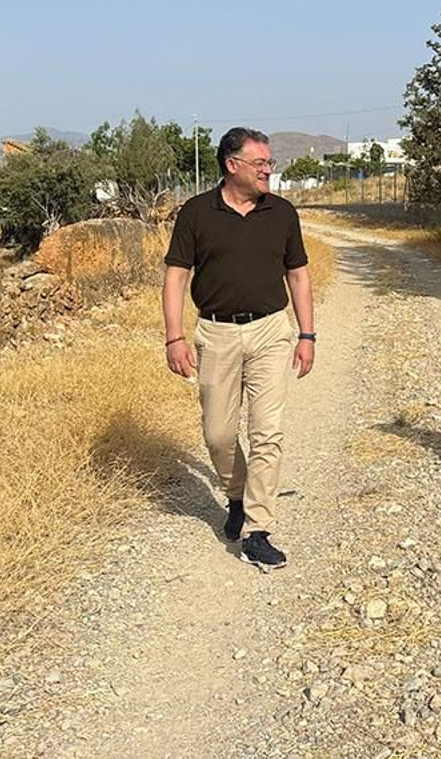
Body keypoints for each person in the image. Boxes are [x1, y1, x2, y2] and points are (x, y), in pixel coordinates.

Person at [162, 127, 316, 571]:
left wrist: (307, 335)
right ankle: (236, 495)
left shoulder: (282, 213)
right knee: (218, 434)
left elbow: (298, 276)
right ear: (232, 166)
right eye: (260, 163)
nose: (268, 170)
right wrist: (174, 337)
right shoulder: (196, 213)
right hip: (216, 334)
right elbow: (176, 277)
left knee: (267, 433)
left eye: (269, 163)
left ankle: (257, 530)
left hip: (270, 331)